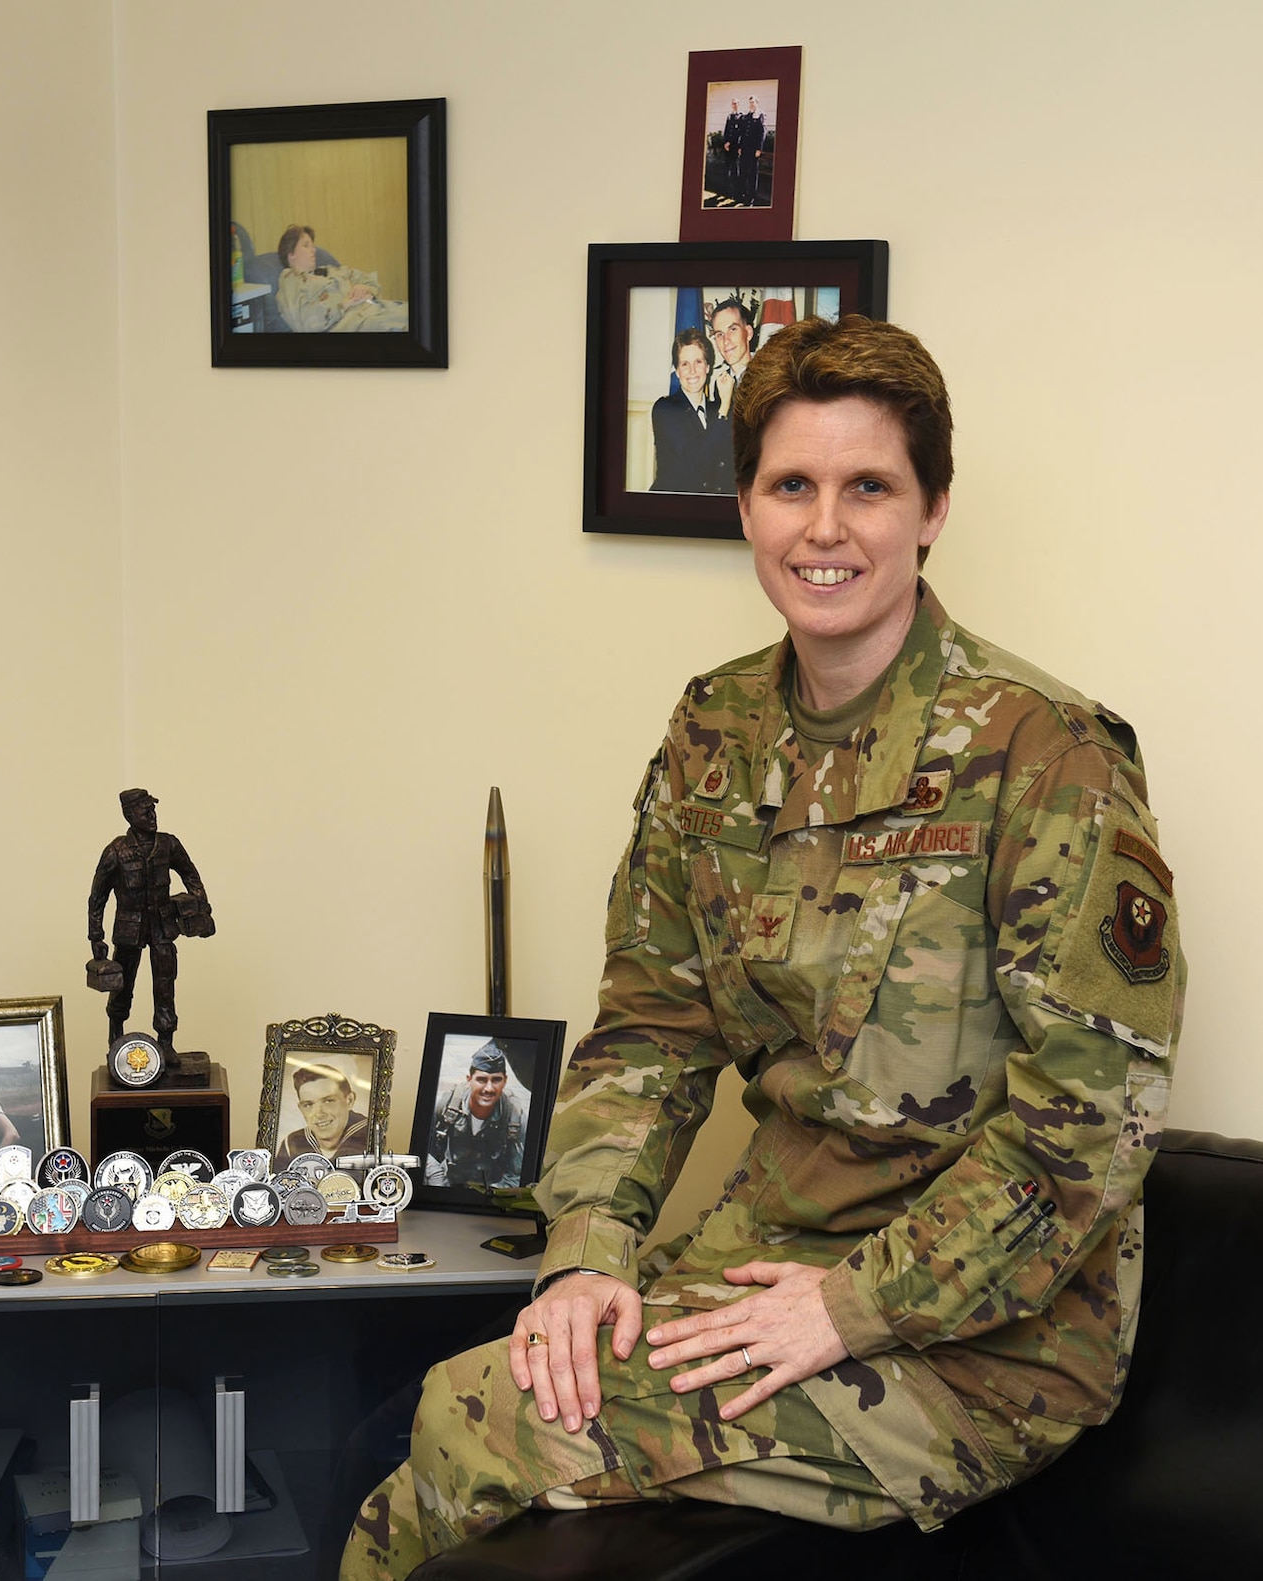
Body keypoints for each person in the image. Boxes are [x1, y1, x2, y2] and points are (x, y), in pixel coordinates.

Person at [340, 314, 1183, 1579]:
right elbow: (647, 1036)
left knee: (475, 1424)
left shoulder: (1046, 752)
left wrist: (849, 1307)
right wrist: (582, 1259)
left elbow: (1087, 1124)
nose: (824, 529)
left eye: (868, 487)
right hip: (764, 1264)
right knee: (427, 1427)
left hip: (987, 1340)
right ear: (743, 506)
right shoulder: (712, 732)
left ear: (932, 509)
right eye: (791, 485)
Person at [87, 788, 214, 1049]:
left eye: (153, 809)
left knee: (165, 985)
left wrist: (201, 906)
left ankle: (166, 1043)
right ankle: (116, 1036)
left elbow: (191, 875)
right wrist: (95, 936)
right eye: (145, 811)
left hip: (162, 927)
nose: (152, 815)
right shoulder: (116, 851)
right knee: (122, 985)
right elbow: (97, 897)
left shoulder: (169, 844)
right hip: (128, 930)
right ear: (129, 815)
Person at [423, 1042, 529, 1189]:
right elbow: (423, 1153)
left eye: (496, 1080)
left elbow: (518, 1175)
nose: (489, 1088)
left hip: (492, 1195)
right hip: (446, 1188)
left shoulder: (515, 1119)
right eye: (481, 1079)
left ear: (505, 1081)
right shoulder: (444, 1106)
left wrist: (489, 1198)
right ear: (469, 1079)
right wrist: (436, 1180)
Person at [274, 224, 409, 334]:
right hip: (360, 324)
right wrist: (343, 304)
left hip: (381, 309)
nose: (313, 250)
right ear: (291, 254)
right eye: (306, 245)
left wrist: (365, 288)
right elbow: (305, 325)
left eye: (313, 245)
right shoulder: (290, 280)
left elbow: (371, 281)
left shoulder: (331, 270)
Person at [648, 327, 731, 495]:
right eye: (685, 364)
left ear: (708, 367)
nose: (692, 371)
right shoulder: (665, 409)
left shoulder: (716, 409)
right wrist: (725, 407)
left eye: (698, 362)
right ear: (677, 371)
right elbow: (697, 462)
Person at [271, 1061, 372, 1168]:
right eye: (308, 1105)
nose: (319, 1114)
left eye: (328, 1101)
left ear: (349, 1100)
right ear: (301, 1109)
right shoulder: (292, 1144)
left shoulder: (370, 1135)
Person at [709, 297, 756, 418]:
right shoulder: (720, 385)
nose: (726, 341)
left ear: (748, 333)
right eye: (720, 334)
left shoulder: (769, 378)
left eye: (733, 329)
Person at [739, 95, 767, 204]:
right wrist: (740, 147)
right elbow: (743, 134)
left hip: (753, 150)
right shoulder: (747, 116)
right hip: (745, 150)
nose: (751, 104)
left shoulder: (760, 115)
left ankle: (751, 198)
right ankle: (743, 194)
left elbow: (762, 133)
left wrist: (759, 149)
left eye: (753, 102)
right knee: (743, 172)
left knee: (752, 174)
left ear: (757, 103)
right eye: (750, 102)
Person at [721, 98, 745, 197]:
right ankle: (728, 191)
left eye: (736, 103)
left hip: (735, 147)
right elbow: (726, 131)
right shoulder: (729, 116)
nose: (734, 105)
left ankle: (737, 192)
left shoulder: (742, 117)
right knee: (727, 169)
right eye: (733, 104)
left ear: (739, 104)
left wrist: (736, 145)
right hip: (728, 148)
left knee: (736, 170)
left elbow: (740, 133)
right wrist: (725, 142)